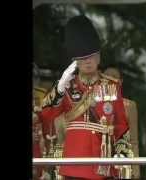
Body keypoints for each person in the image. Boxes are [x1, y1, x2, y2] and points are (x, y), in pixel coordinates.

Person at [38, 15, 130, 180]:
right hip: (75, 163)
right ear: (74, 61)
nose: (88, 61)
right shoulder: (66, 86)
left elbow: (121, 125)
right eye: (83, 58)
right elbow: (46, 115)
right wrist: (59, 89)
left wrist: (121, 153)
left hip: (103, 163)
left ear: (99, 57)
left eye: (92, 56)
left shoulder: (112, 85)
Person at [103, 67, 140, 178]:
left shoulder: (130, 105)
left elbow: (134, 140)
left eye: (114, 77)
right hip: (100, 157)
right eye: (106, 77)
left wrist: (136, 169)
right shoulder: (93, 104)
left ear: (121, 81)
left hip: (122, 159)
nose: (110, 80)